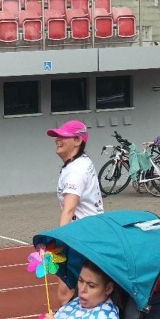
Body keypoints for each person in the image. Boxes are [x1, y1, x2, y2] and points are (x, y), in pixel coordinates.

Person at [46, 120, 103, 306]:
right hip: (91, 233)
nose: (57, 140)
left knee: (65, 292)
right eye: (57, 136)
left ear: (78, 140)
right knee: (83, 290)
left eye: (63, 136)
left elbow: (69, 209)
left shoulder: (75, 171)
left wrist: (59, 243)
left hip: (81, 237)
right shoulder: (81, 162)